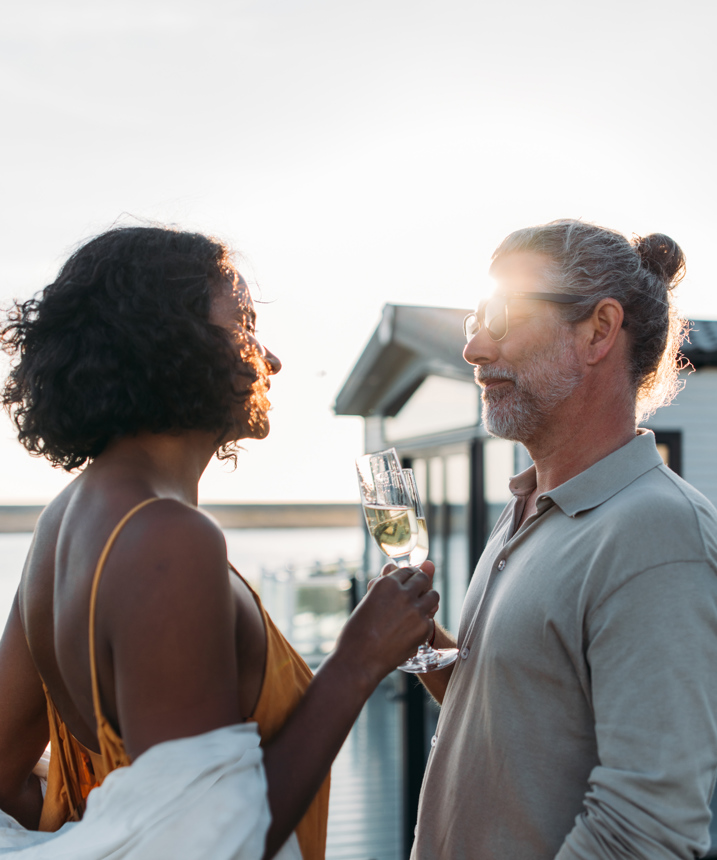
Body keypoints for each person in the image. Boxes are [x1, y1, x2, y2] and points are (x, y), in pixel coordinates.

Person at [0, 225, 438, 860]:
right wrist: (357, 662)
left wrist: (107, 821)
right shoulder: (169, 541)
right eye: (244, 327)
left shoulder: (61, 520)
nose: (272, 360)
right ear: (170, 342)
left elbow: (7, 777)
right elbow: (212, 845)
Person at [410, 219, 717, 858]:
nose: (475, 348)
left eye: (503, 315)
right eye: (476, 318)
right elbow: (517, 717)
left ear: (599, 331)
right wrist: (427, 647)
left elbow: (645, 832)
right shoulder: (530, 506)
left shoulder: (655, 535)